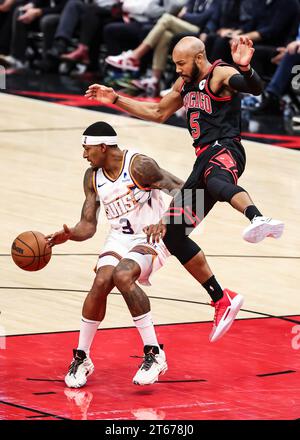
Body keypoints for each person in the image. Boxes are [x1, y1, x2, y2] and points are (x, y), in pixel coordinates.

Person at [85, 36, 285, 344]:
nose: (178, 70)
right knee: (173, 234)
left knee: (215, 179)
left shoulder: (218, 73)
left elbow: (254, 88)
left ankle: (257, 218)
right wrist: (115, 99)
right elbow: (157, 113)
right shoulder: (184, 85)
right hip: (203, 158)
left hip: (226, 149)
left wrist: (245, 69)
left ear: (199, 58)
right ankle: (222, 299)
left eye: (181, 63)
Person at [47, 121, 184, 387]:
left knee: (123, 275)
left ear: (102, 146)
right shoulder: (92, 177)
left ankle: (155, 353)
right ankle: (82, 357)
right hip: (119, 238)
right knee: (101, 281)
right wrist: (69, 235)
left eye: (87, 149)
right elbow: (88, 225)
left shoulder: (139, 165)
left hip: (151, 236)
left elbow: (186, 189)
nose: (84, 154)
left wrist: (167, 221)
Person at [105, 0, 216, 96]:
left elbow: (202, 19)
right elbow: (185, 13)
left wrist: (185, 16)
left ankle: (135, 56)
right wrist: (186, 16)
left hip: (201, 31)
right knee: (165, 35)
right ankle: (155, 79)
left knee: (167, 19)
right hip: (186, 25)